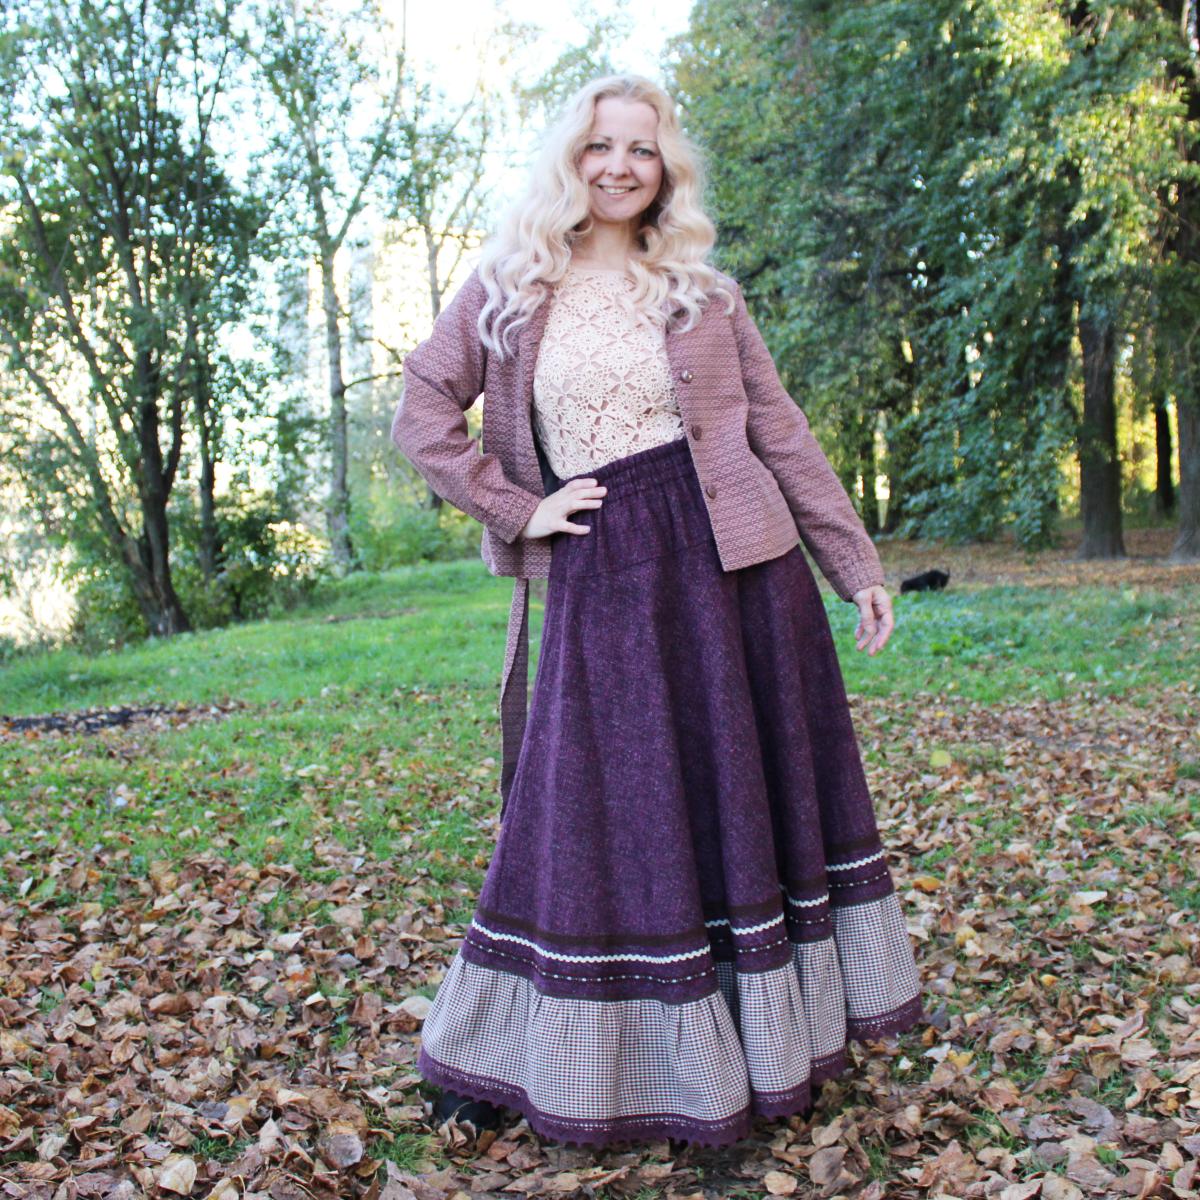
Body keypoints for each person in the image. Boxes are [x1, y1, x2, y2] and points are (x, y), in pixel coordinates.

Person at [391, 73, 924, 1150]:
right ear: (570, 157)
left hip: (741, 573)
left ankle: (760, 1053)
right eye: (601, 146)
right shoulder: (508, 285)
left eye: (642, 148)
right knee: (591, 812)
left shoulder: (703, 290)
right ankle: (518, 1052)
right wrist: (521, 509)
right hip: (607, 572)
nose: (621, 166)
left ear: (666, 166)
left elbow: (777, 427)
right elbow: (422, 410)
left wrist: (852, 560)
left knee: (739, 805)